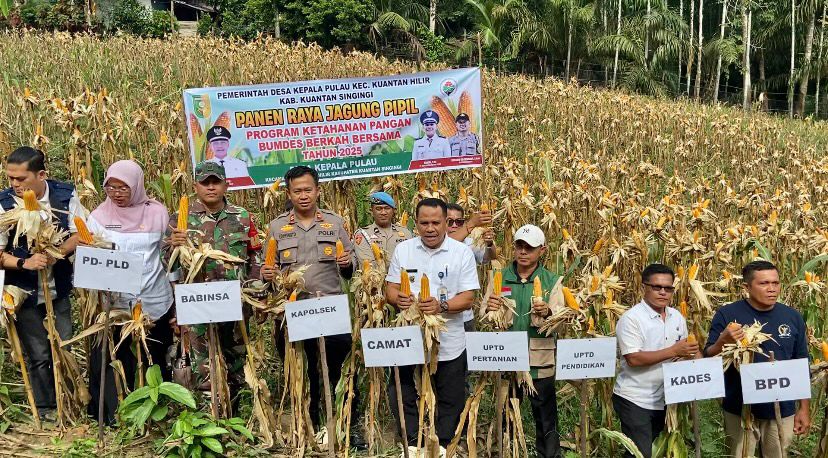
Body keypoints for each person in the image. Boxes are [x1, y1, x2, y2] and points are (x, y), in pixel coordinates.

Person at [261, 165, 363, 446]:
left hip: (330, 308)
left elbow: (351, 267)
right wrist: (266, 274)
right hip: (294, 311)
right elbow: (266, 269)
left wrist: (347, 264)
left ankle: (346, 427)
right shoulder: (277, 227)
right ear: (289, 194)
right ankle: (309, 426)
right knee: (303, 373)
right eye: (297, 191)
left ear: (317, 190)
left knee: (340, 370)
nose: (303, 195)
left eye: (308, 189)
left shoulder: (335, 222)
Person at [385, 197, 480, 456]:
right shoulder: (404, 250)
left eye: (436, 223)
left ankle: (442, 443)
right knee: (401, 390)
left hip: (448, 338)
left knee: (451, 395)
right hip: (409, 335)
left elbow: (469, 296)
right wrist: (397, 298)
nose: (430, 228)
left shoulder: (461, 253)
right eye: (424, 223)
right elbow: (390, 288)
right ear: (416, 223)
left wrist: (443, 306)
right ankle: (414, 442)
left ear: (446, 222)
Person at [165, 161, 261, 411]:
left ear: (225, 184)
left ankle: (235, 413)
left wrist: (254, 293)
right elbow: (168, 265)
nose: (210, 187)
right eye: (205, 182)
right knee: (203, 362)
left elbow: (254, 256)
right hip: (197, 304)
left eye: (215, 182)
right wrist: (173, 246)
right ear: (195, 185)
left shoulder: (242, 217)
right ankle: (210, 415)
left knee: (236, 359)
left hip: (235, 302)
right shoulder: (180, 220)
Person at [0, 146, 87, 421]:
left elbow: (80, 233)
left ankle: (72, 401)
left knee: (64, 345)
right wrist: (24, 263)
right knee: (37, 353)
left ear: (41, 175)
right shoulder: (4, 204)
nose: (14, 184)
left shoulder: (65, 195)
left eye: (20, 179)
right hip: (22, 290)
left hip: (57, 288)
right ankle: (48, 408)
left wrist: (55, 254)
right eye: (10, 178)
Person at [85, 160, 175, 424]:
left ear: (137, 185)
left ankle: (155, 412)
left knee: (154, 356)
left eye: (123, 187)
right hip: (116, 303)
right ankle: (116, 414)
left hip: (154, 295)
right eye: (110, 187)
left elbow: (168, 254)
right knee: (118, 356)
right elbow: (92, 257)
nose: (116, 193)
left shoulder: (158, 212)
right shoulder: (98, 217)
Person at [704, 260, 810, 458]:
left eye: (775, 283)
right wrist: (722, 341)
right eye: (764, 283)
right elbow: (708, 356)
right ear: (746, 287)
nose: (772, 289)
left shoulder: (792, 316)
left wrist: (803, 409)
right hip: (740, 409)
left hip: (782, 407)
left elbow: (801, 362)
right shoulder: (727, 315)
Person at [485, 224, 560, 457]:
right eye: (519, 246)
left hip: (540, 361)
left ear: (542, 250)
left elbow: (563, 322)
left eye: (530, 247)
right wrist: (490, 309)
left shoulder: (552, 281)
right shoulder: (499, 278)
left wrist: (548, 312)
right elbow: (485, 317)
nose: (524, 251)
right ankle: (507, 452)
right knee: (506, 415)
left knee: (545, 418)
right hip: (507, 358)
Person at [613, 263, 694, 458]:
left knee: (660, 451)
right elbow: (633, 358)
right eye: (656, 287)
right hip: (635, 398)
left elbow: (683, 353)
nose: (663, 292)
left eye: (668, 288)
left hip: (666, 398)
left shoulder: (677, 318)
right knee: (641, 454)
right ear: (644, 288)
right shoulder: (632, 319)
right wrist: (674, 350)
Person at [446, 203, 495, 332]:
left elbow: (489, 257)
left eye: (459, 221)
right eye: (449, 221)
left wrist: (489, 244)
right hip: (441, 315)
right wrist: (471, 223)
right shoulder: (436, 243)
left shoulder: (470, 242)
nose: (455, 225)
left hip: (465, 317)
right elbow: (449, 244)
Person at [353, 191, 412, 267]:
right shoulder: (363, 234)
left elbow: (411, 261)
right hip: (375, 278)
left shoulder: (406, 234)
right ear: (371, 211)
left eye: (387, 208)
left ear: (393, 210)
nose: (383, 212)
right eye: (379, 209)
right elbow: (368, 264)